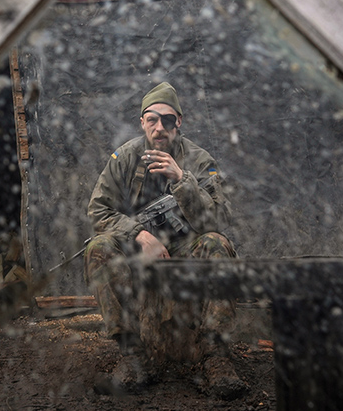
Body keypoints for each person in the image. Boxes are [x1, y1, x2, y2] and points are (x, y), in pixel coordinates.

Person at [84, 82, 246, 399]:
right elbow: (98, 210)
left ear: (179, 123)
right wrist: (138, 234)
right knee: (98, 248)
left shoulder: (200, 161)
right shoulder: (124, 158)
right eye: (152, 119)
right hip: (140, 247)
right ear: (142, 122)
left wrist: (181, 180)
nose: (160, 128)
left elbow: (219, 219)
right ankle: (133, 357)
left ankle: (215, 358)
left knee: (216, 243)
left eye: (168, 120)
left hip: (186, 245)